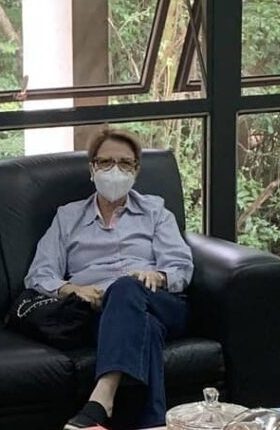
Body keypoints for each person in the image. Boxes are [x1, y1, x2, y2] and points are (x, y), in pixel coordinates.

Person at [24, 127, 194, 429]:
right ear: (92, 169)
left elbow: (181, 265)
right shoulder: (68, 217)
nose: (115, 170)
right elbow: (39, 273)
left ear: (136, 171)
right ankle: (154, 425)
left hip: (159, 300)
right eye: (105, 162)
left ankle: (102, 398)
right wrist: (70, 288)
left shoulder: (155, 211)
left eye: (125, 163)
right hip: (100, 310)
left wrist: (158, 275)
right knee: (146, 329)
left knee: (127, 286)